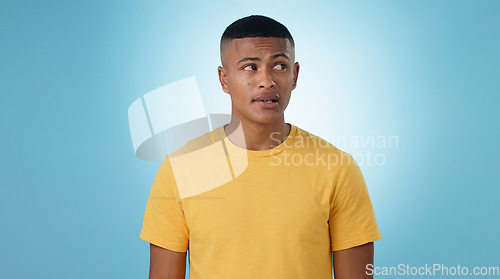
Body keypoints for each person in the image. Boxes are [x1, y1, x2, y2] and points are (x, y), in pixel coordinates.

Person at [140, 15, 382, 279]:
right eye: (249, 67)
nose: (266, 80)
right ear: (224, 79)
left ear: (295, 75)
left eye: (279, 66)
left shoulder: (337, 168)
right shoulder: (179, 169)